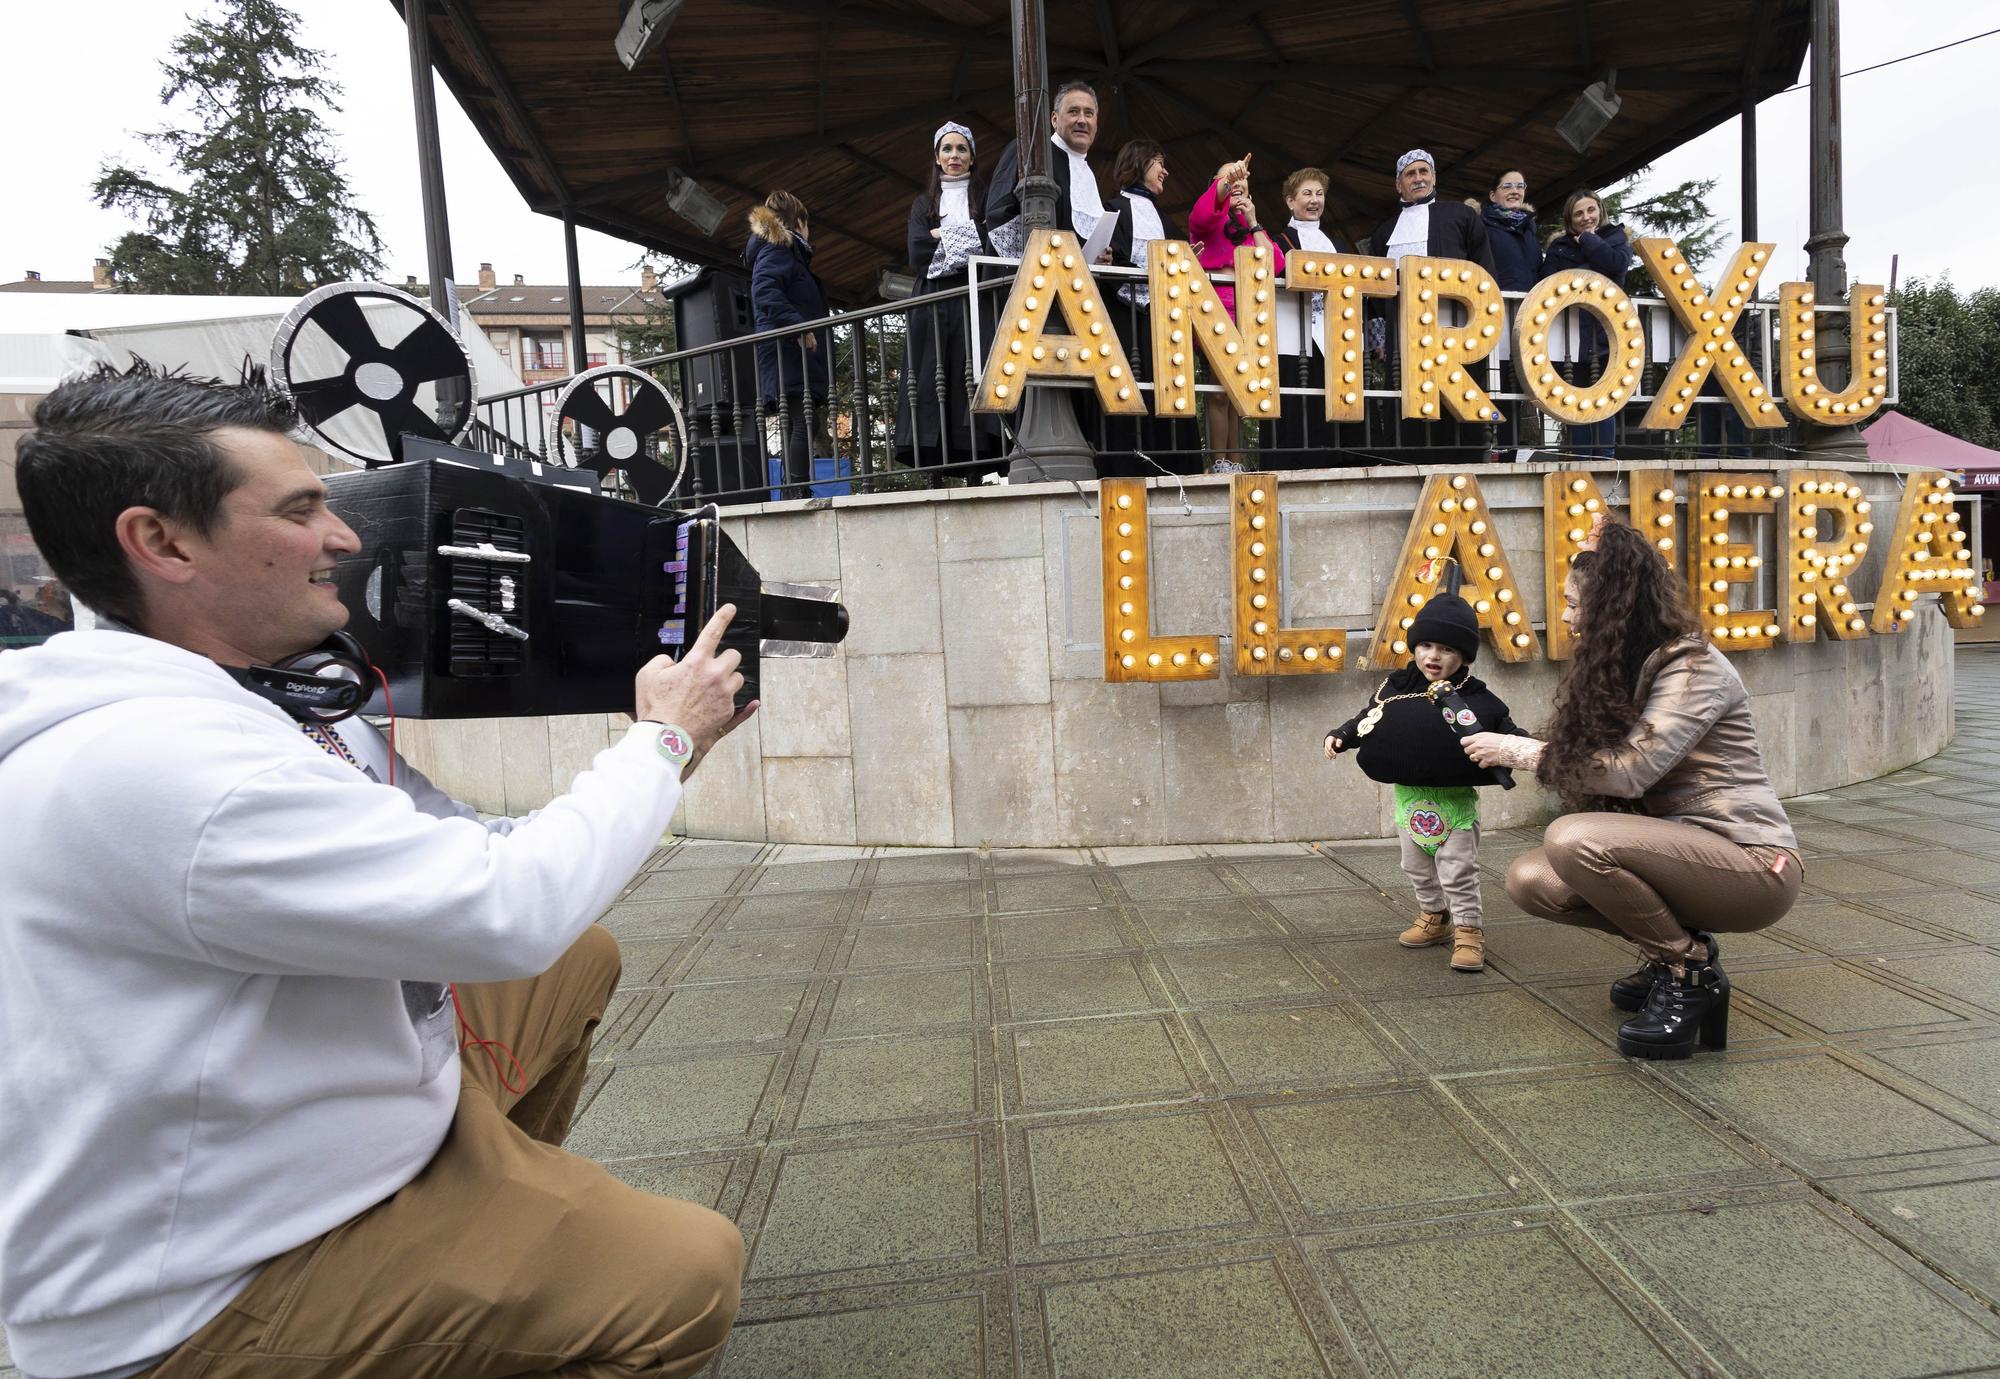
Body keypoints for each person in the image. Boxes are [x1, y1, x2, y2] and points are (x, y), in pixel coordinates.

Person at [0, 363, 757, 1379]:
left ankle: (495, 1214)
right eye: (302, 508)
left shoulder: (256, 692)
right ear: (163, 541)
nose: (346, 536)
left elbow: (459, 853)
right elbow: (503, 906)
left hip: (294, 1142)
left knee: (572, 960)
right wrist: (659, 746)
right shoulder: (166, 766)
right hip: (206, 1278)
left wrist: (660, 746)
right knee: (685, 1271)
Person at [1463, 518, 1802, 1060]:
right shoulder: (1627, 668)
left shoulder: (1695, 668)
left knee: (1574, 838)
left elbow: (1629, 771)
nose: (1568, 617)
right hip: (1679, 853)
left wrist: (1519, 751)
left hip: (1753, 864)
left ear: (1617, 604)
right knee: (1530, 880)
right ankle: (1674, 953)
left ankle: (1687, 972)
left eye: (1576, 604)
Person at [1324, 584, 1519, 973]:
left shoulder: (1475, 695)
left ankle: (1468, 931)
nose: (1434, 655)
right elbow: (1368, 716)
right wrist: (1343, 735)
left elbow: (1504, 729)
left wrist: (1523, 750)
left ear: (1463, 656)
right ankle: (1435, 917)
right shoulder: (1395, 687)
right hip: (1409, 801)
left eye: (1446, 649)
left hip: (1454, 805)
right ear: (1414, 647)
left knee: (1457, 868)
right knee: (1414, 865)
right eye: (1426, 645)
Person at [1367, 150, 1497, 455]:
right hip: (1402, 336)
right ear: (1398, 185)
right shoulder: (1384, 231)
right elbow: (1373, 292)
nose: (1418, 178)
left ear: (1434, 177)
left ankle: (1464, 465)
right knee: (1408, 404)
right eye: (1410, 174)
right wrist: (1379, 340)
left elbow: (1485, 272)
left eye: (1424, 171)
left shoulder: (1461, 216)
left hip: (1457, 330)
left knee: (1458, 405)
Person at [894, 121, 999, 483]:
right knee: (931, 378)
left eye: (961, 149)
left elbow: (989, 240)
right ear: (937, 158)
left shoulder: (984, 197)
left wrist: (941, 234)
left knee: (971, 375)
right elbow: (917, 251)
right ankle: (934, 470)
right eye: (947, 149)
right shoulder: (923, 202)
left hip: (973, 297)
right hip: (932, 302)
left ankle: (975, 467)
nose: (954, 156)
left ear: (972, 157)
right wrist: (966, 233)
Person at [1101, 138, 1192, 475]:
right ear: (1139, 163)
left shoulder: (1162, 217)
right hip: (1124, 317)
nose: (1165, 171)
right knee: (1128, 387)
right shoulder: (1112, 209)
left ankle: (1175, 464)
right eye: (1159, 162)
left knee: (1170, 389)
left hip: (1162, 318)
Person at [1188, 153, 1284, 473]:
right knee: (1218, 390)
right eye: (1229, 178)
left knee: (1237, 391)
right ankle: (1218, 462)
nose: (1236, 182)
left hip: (1247, 311)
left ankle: (1236, 462)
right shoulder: (1208, 218)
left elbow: (1275, 263)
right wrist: (1226, 182)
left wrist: (1253, 220)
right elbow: (1202, 214)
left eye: (1241, 178)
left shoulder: (1246, 224)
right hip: (1215, 307)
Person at [745, 190, 834, 499]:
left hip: (787, 345)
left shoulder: (779, 250)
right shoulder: (779, 249)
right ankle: (795, 488)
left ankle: (794, 486)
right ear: (799, 222)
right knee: (803, 417)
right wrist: (798, 326)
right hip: (787, 347)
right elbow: (765, 290)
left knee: (801, 418)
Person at [1540, 189, 1631, 459]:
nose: (1586, 217)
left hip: (1606, 332)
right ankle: (1579, 457)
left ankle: (1604, 458)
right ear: (1570, 219)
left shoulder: (1614, 237)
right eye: (1578, 213)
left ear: (1600, 211)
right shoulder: (1559, 247)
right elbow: (1546, 284)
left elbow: (1616, 265)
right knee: (1576, 397)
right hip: (1570, 335)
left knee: (1604, 398)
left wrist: (1590, 240)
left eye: (1590, 210)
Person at [1271, 166, 1351, 467]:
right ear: (1291, 201)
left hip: (1331, 336)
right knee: (1295, 399)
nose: (1314, 200)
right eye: (1307, 193)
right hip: (1292, 337)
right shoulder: (1279, 241)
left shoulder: (1337, 244)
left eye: (1319, 194)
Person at [982, 80, 1107, 257]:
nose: (1082, 120)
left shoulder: (1089, 173)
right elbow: (999, 216)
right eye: (1073, 112)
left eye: (1089, 113)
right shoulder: (1028, 149)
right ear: (1054, 119)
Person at [1479, 170, 1543, 451]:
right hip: (1495, 311)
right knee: (1496, 379)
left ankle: (1517, 447)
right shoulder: (1483, 225)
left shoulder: (1529, 227)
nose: (1515, 190)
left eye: (1520, 185)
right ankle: (1496, 447)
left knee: (1521, 382)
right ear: (1494, 195)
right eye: (1507, 186)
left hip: (1528, 314)